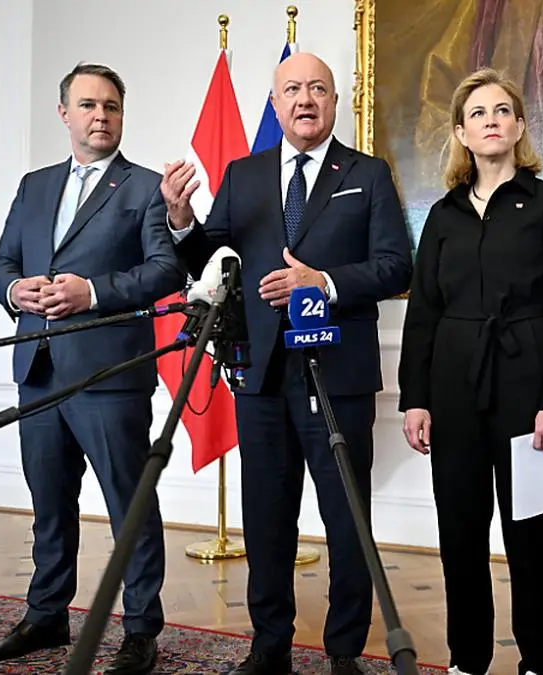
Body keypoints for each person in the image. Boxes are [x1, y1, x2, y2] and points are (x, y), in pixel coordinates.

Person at [159, 51, 412, 675]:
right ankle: (269, 646)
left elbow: (395, 266)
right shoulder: (243, 174)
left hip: (339, 373)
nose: (305, 99)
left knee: (347, 519)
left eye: (318, 89)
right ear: (275, 104)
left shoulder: (368, 174)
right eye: (292, 89)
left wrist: (323, 281)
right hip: (261, 372)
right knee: (266, 517)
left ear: (335, 102)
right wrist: (182, 220)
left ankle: (344, 651)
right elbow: (208, 259)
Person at [0, 63, 186, 675]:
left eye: (112, 107)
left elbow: (165, 271)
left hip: (110, 375)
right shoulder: (34, 185)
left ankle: (141, 630)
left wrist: (91, 293)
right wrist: (14, 289)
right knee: (49, 502)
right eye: (90, 105)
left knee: (130, 506)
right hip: (38, 370)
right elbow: (2, 260)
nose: (102, 116)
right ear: (64, 113)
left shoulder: (145, 188)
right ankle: (46, 615)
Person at [397, 67, 543, 675]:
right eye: (477, 113)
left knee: (532, 535)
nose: (491, 121)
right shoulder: (443, 214)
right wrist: (415, 398)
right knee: (459, 534)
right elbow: (423, 313)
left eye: (502, 110)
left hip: (529, 387)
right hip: (453, 389)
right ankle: (467, 660)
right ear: (461, 132)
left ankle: (538, 662)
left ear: (520, 126)